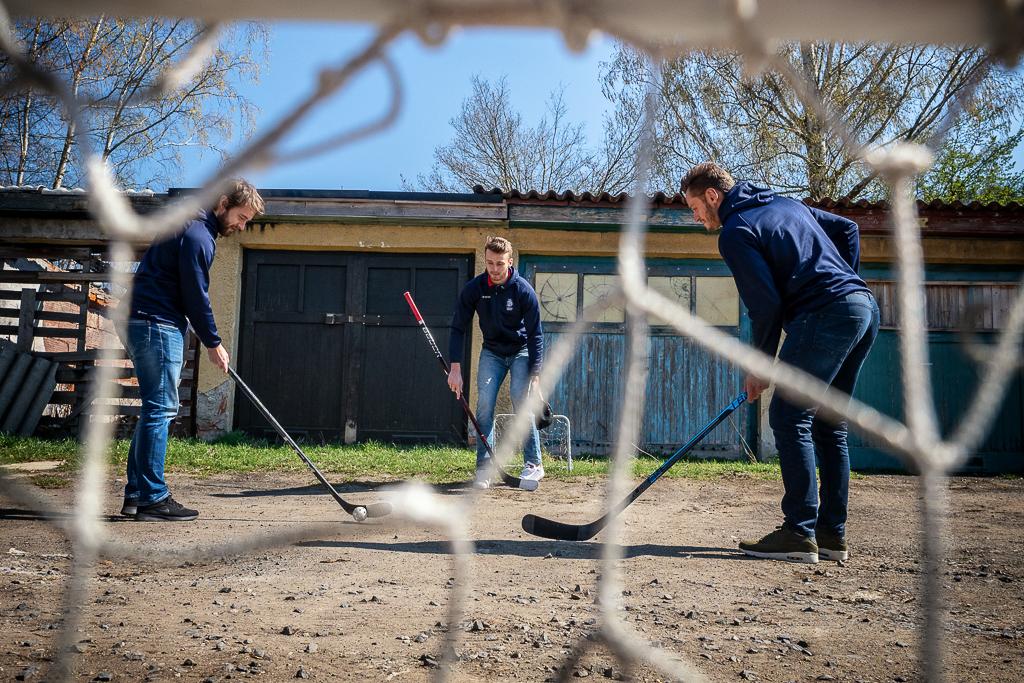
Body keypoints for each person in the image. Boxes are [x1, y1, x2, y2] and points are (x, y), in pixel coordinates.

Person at [681, 162, 879, 564]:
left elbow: (766, 306)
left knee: (790, 416)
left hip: (826, 314)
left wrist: (759, 367)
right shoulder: (786, 205)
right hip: (863, 309)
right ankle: (830, 536)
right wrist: (846, 282)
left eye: (694, 207)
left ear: (713, 196)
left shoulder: (736, 233)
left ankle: (798, 532)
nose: (695, 216)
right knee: (829, 423)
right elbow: (847, 230)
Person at [120, 179, 264, 521]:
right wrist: (213, 343)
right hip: (156, 322)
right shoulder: (198, 235)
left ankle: (137, 495)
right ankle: (153, 498)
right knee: (162, 408)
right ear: (223, 203)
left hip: (142, 319)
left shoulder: (189, 225)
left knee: (155, 407)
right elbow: (195, 295)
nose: (241, 226)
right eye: (241, 217)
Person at [448, 236, 545, 489]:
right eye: (490, 263)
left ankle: (534, 464)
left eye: (499, 264)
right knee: (484, 404)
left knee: (519, 397)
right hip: (492, 352)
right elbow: (458, 327)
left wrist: (535, 378)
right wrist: (455, 369)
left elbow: (536, 335)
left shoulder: (523, 290)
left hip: (520, 350)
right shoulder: (475, 289)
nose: (494, 269)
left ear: (510, 262)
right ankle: (484, 468)